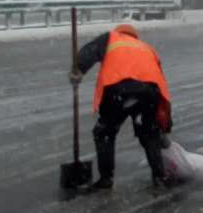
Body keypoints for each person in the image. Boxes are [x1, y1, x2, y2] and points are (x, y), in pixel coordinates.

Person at [70, 22, 173, 190]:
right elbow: (162, 87)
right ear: (134, 36)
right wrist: (163, 125)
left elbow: (89, 52)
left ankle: (106, 179)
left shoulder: (110, 38)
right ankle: (159, 176)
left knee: (105, 132)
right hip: (148, 92)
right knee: (149, 134)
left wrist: (78, 70)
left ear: (119, 31)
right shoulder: (146, 47)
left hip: (118, 89)